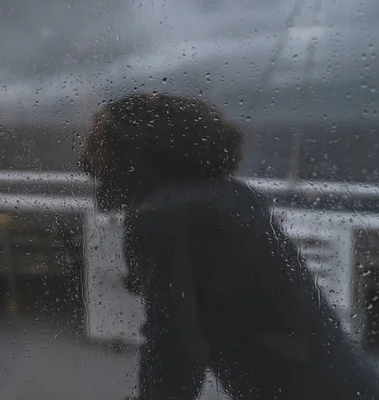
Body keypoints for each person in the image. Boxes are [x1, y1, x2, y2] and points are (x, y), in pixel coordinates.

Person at [79, 93, 379, 399]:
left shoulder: (165, 214)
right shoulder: (229, 197)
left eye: (99, 145)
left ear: (135, 151)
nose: (86, 163)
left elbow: (174, 342)